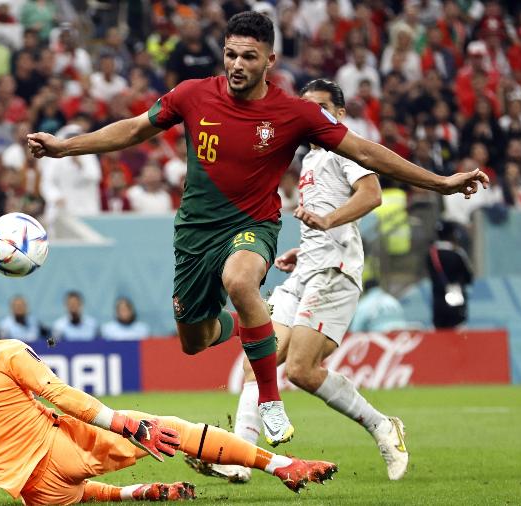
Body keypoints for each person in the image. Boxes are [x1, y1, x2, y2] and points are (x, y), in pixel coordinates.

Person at [28, 11, 489, 447]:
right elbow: (132, 129)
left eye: (248, 56)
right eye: (231, 54)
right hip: (194, 233)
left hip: (254, 224)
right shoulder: (192, 94)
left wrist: (442, 182)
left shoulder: (294, 113)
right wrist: (64, 147)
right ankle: (249, 321)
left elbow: (366, 152)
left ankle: (270, 398)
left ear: (270, 60)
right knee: (195, 340)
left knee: (239, 279)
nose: (236, 64)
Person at [0, 286, 338, 506]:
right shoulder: (4, 352)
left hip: (27, 489)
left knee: (72, 492)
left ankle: (139, 493)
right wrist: (121, 422)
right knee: (170, 431)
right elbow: (59, 394)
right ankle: (282, 465)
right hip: (61, 448)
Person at [188, 79, 406, 484]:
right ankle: (240, 460)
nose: (315, 116)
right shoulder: (308, 159)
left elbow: (372, 194)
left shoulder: (345, 148)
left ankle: (381, 425)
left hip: (334, 272)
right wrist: (301, 251)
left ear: (339, 114)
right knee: (261, 361)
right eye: (309, 108)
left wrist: (328, 221)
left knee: (302, 370)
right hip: (306, 270)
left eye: (324, 108)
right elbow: (318, 220)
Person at [426, 221, 473, 329]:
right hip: (456, 295)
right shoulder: (457, 253)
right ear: (452, 234)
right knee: (457, 327)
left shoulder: (431, 254)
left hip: (438, 299)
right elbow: (469, 277)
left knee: (439, 332)